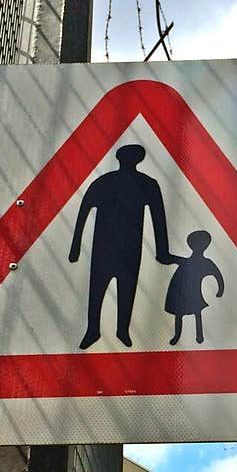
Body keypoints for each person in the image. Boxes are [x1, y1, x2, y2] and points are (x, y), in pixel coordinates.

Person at [68, 144, 172, 348]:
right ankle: (93, 330)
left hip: (129, 248)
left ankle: (122, 331)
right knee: (97, 290)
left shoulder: (146, 184)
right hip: (105, 247)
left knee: (127, 290)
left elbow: (158, 218)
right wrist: (75, 247)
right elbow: (84, 210)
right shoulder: (105, 182)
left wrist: (162, 251)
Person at [164, 230, 225, 345]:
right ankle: (178, 335)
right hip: (180, 293)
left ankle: (199, 336)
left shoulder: (204, 263)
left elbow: (217, 275)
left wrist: (220, 290)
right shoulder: (187, 261)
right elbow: (168, 259)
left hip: (194, 292)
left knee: (196, 312)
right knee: (181, 314)